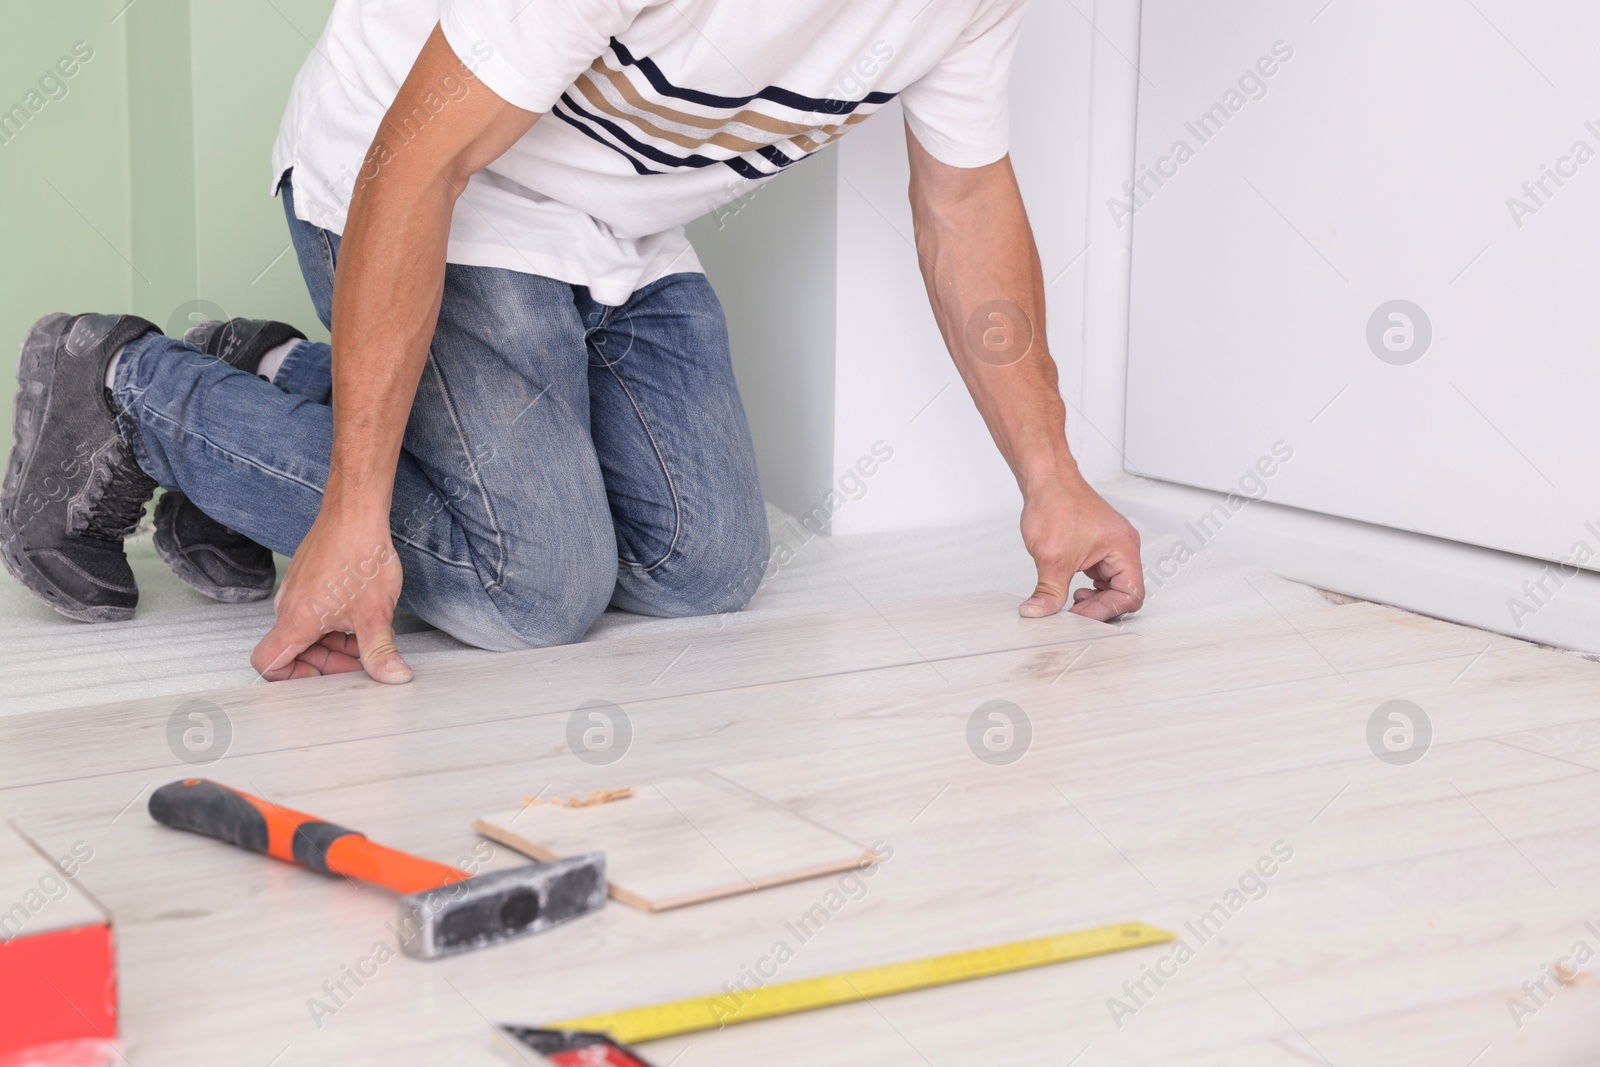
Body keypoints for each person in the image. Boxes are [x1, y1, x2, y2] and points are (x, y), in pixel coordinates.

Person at [0, 0, 1144, 685]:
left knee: (703, 565)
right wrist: (346, 514)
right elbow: (417, 166)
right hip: (417, 184)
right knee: (531, 585)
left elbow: (964, 206)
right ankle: (126, 384)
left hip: (620, 228)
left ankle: (275, 373)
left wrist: (1051, 480)